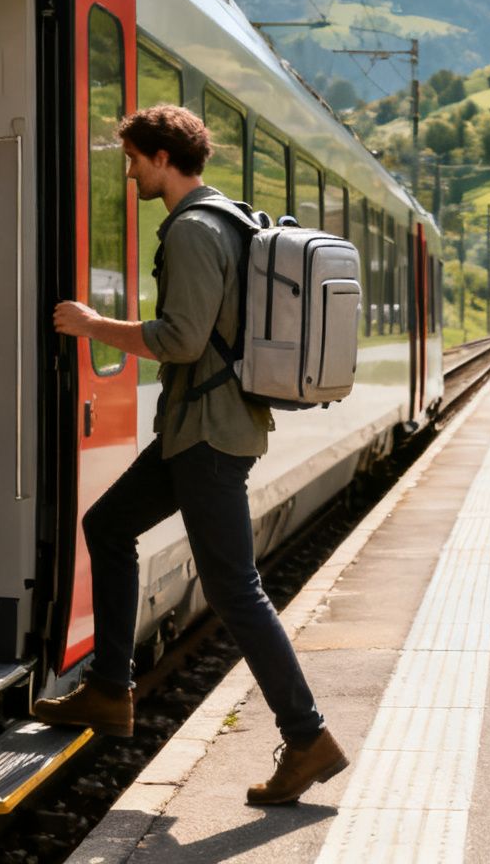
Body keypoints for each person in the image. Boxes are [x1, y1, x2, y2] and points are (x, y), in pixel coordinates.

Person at [35, 104, 347, 806]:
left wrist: (91, 326)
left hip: (208, 437)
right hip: (194, 433)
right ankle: (112, 689)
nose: (131, 172)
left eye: (135, 160)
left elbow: (179, 339)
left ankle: (307, 737)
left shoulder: (195, 231)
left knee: (236, 590)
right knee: (108, 526)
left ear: (162, 158)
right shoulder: (222, 218)